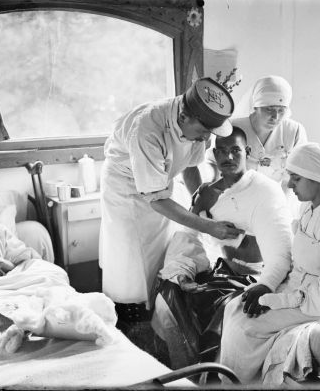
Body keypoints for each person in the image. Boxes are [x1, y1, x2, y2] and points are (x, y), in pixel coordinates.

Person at [219, 142, 320, 384]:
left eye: (296, 179)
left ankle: (243, 388)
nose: (289, 184)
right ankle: (229, 383)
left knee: (246, 327)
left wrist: (278, 301)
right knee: (232, 308)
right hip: (298, 290)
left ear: (318, 178)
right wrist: (267, 286)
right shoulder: (308, 208)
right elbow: (296, 262)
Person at [151, 126, 293, 367]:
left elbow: (280, 253)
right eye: (222, 151)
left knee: (226, 317)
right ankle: (187, 375)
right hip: (223, 269)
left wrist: (234, 240)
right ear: (213, 155)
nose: (228, 158)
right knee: (168, 300)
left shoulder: (265, 190)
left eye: (235, 151)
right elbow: (190, 235)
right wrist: (181, 270)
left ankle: (214, 376)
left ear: (247, 152)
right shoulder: (206, 193)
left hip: (257, 276)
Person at [99, 78, 244, 308]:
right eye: (203, 132)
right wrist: (207, 226)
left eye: (210, 133)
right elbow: (156, 199)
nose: (207, 138)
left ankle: (158, 299)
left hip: (160, 183)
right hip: (126, 187)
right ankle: (129, 309)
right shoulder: (147, 129)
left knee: (162, 246)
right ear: (183, 117)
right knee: (131, 257)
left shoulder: (197, 125)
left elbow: (190, 166)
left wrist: (199, 199)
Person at [206, 75, 308, 217]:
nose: (276, 117)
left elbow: (296, 175)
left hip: (277, 201)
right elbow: (213, 163)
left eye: (281, 110)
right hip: (236, 199)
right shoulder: (232, 128)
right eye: (269, 109)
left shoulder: (294, 131)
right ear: (256, 106)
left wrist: (280, 206)